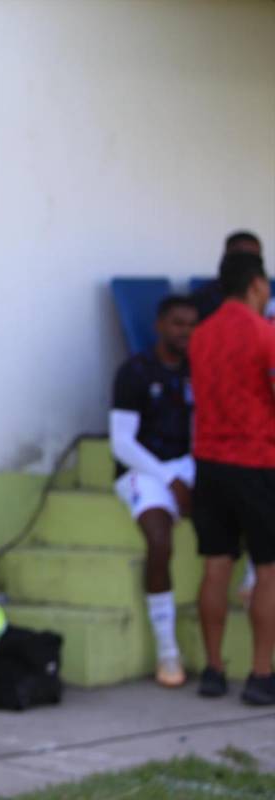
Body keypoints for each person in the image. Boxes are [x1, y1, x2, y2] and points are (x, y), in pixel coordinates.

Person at [188, 250, 275, 705]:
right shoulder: (265, 333)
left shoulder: (200, 336)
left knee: (215, 567)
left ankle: (213, 670)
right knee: (269, 571)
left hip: (208, 464)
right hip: (257, 463)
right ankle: (260, 675)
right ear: (256, 285)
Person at [110, 295, 198, 687]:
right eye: (178, 323)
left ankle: (250, 585)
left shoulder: (198, 367)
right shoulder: (135, 371)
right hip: (143, 470)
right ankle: (168, 651)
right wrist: (169, 479)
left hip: (189, 463)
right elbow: (121, 443)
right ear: (160, 325)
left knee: (249, 503)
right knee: (159, 541)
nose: (185, 332)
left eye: (192, 325)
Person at [192, 231, 263, 321]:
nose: (244, 264)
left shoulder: (269, 299)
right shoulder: (202, 298)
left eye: (252, 260)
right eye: (238, 258)